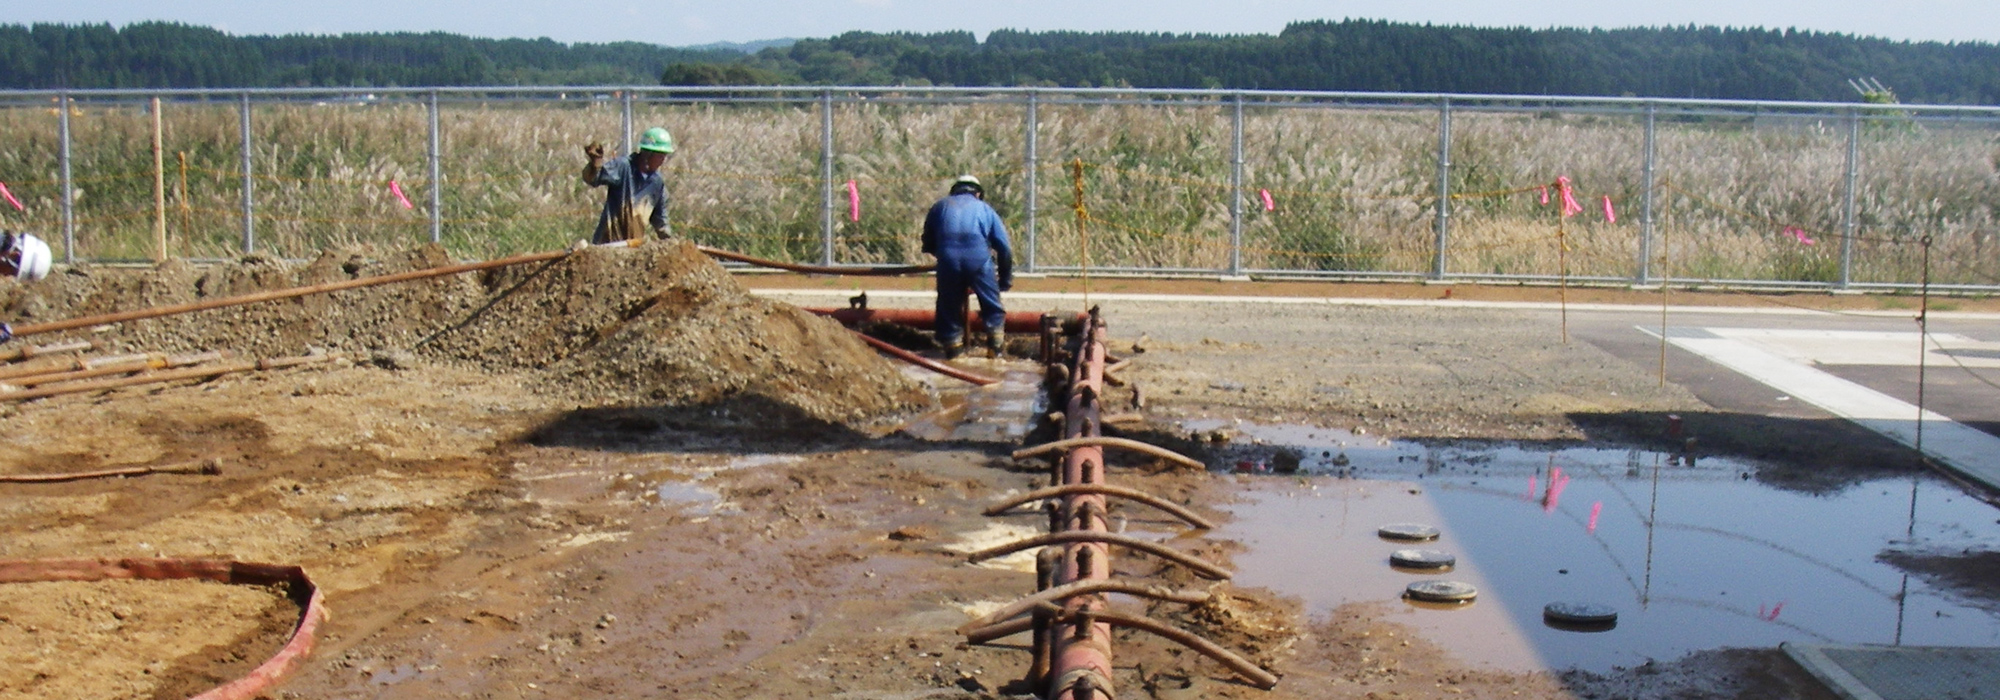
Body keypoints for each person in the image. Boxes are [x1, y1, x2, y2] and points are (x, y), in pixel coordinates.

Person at [921, 175, 1013, 359]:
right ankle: (995, 350)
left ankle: (953, 352)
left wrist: (947, 259)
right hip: (979, 261)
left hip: (948, 260)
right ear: (978, 193)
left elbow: (928, 242)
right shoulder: (986, 209)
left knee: (948, 307)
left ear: (954, 190)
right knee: (992, 306)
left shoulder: (939, 207)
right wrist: (1005, 279)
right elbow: (1004, 247)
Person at [581, 127, 675, 244]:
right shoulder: (623, 167)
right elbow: (593, 179)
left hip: (633, 247)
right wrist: (595, 163)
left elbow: (661, 220)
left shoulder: (656, 182)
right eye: (660, 155)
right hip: (608, 244)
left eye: (664, 156)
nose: (663, 160)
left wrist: (671, 243)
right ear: (647, 154)